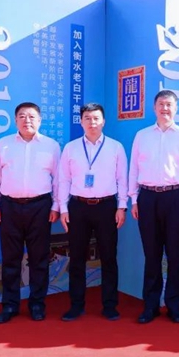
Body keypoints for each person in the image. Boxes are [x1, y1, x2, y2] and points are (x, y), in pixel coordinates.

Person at [129, 90, 179, 324]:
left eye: (169, 105)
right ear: (154, 107)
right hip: (148, 198)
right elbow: (133, 169)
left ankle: (174, 305)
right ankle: (150, 306)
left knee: (175, 253)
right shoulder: (142, 136)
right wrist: (134, 199)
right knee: (152, 255)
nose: (165, 109)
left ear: (176, 108)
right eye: (161, 104)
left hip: (176, 197)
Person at [0, 102, 60, 323]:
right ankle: (10, 306)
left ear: (40, 120)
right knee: (10, 258)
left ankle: (37, 304)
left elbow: (59, 180)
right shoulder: (4, 144)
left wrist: (56, 206)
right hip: (9, 206)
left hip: (40, 207)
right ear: (15, 120)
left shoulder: (51, 146)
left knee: (39, 258)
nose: (27, 120)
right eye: (22, 116)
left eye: (31, 116)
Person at [58, 103, 128, 321]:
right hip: (77, 207)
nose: (92, 122)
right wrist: (63, 208)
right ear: (81, 121)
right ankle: (76, 305)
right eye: (87, 118)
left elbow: (122, 179)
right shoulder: (71, 148)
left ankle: (110, 305)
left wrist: (121, 207)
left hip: (106, 207)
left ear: (103, 121)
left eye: (96, 118)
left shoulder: (115, 147)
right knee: (77, 258)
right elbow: (63, 180)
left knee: (109, 257)